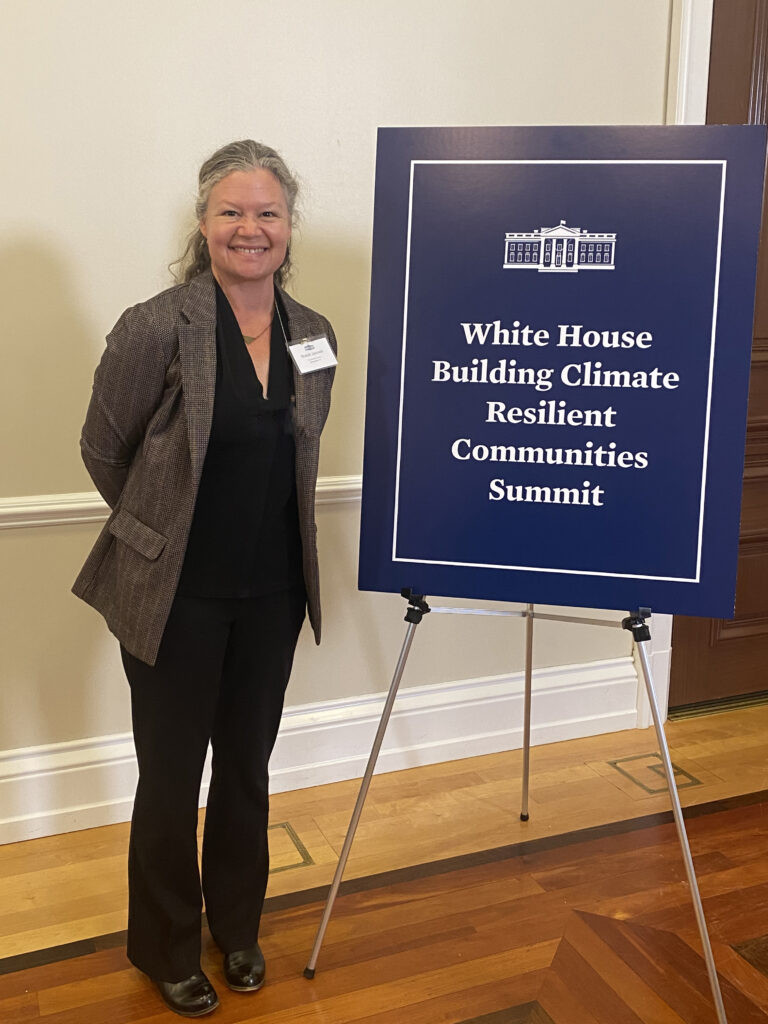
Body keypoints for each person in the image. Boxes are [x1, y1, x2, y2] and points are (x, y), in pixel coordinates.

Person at [73, 140, 336, 1017]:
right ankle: (166, 947)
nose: (249, 228)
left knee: (247, 771)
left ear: (290, 227)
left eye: (267, 212)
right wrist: (159, 530)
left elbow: (302, 448)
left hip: (273, 594)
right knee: (171, 773)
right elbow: (103, 447)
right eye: (232, 212)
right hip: (176, 598)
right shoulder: (156, 324)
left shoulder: (314, 334)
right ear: (203, 223)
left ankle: (238, 927)